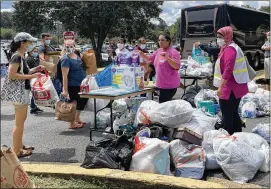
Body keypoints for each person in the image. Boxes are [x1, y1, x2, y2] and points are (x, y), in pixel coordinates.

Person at [3, 32, 45, 157]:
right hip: (20, 93)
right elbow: (12, 74)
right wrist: (32, 75)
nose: (30, 45)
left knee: (21, 121)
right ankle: (17, 151)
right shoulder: (17, 57)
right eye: (28, 42)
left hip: (22, 92)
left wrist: (35, 70)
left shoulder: (20, 56)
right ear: (22, 43)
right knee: (19, 123)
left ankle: (19, 145)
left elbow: (21, 72)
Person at [213, 26, 249, 135]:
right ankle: (237, 137)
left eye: (220, 37)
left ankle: (228, 138)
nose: (218, 39)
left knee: (227, 115)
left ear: (227, 36)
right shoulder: (229, 47)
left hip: (230, 89)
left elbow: (228, 70)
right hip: (235, 87)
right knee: (233, 113)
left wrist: (220, 87)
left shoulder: (230, 50)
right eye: (217, 36)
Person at [137, 33, 181, 103]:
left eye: (162, 40)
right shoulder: (158, 51)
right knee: (161, 106)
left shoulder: (173, 52)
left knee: (163, 107)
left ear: (168, 41)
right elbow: (149, 59)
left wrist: (167, 58)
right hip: (160, 85)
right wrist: (141, 54)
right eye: (159, 40)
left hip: (169, 86)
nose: (160, 42)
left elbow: (177, 66)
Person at [61, 39, 88, 129]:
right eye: (67, 46)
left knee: (82, 102)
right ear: (64, 47)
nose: (69, 48)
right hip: (73, 85)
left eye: (71, 46)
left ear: (74, 46)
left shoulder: (77, 56)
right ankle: (72, 123)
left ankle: (77, 118)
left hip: (82, 84)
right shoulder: (65, 59)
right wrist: (65, 90)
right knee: (74, 104)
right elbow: (65, 76)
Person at [25, 47, 44, 115]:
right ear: (30, 52)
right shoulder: (29, 59)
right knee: (34, 93)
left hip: (33, 77)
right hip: (31, 78)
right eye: (35, 51)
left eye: (37, 51)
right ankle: (33, 108)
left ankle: (34, 106)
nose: (36, 53)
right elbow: (35, 68)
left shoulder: (33, 58)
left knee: (35, 93)